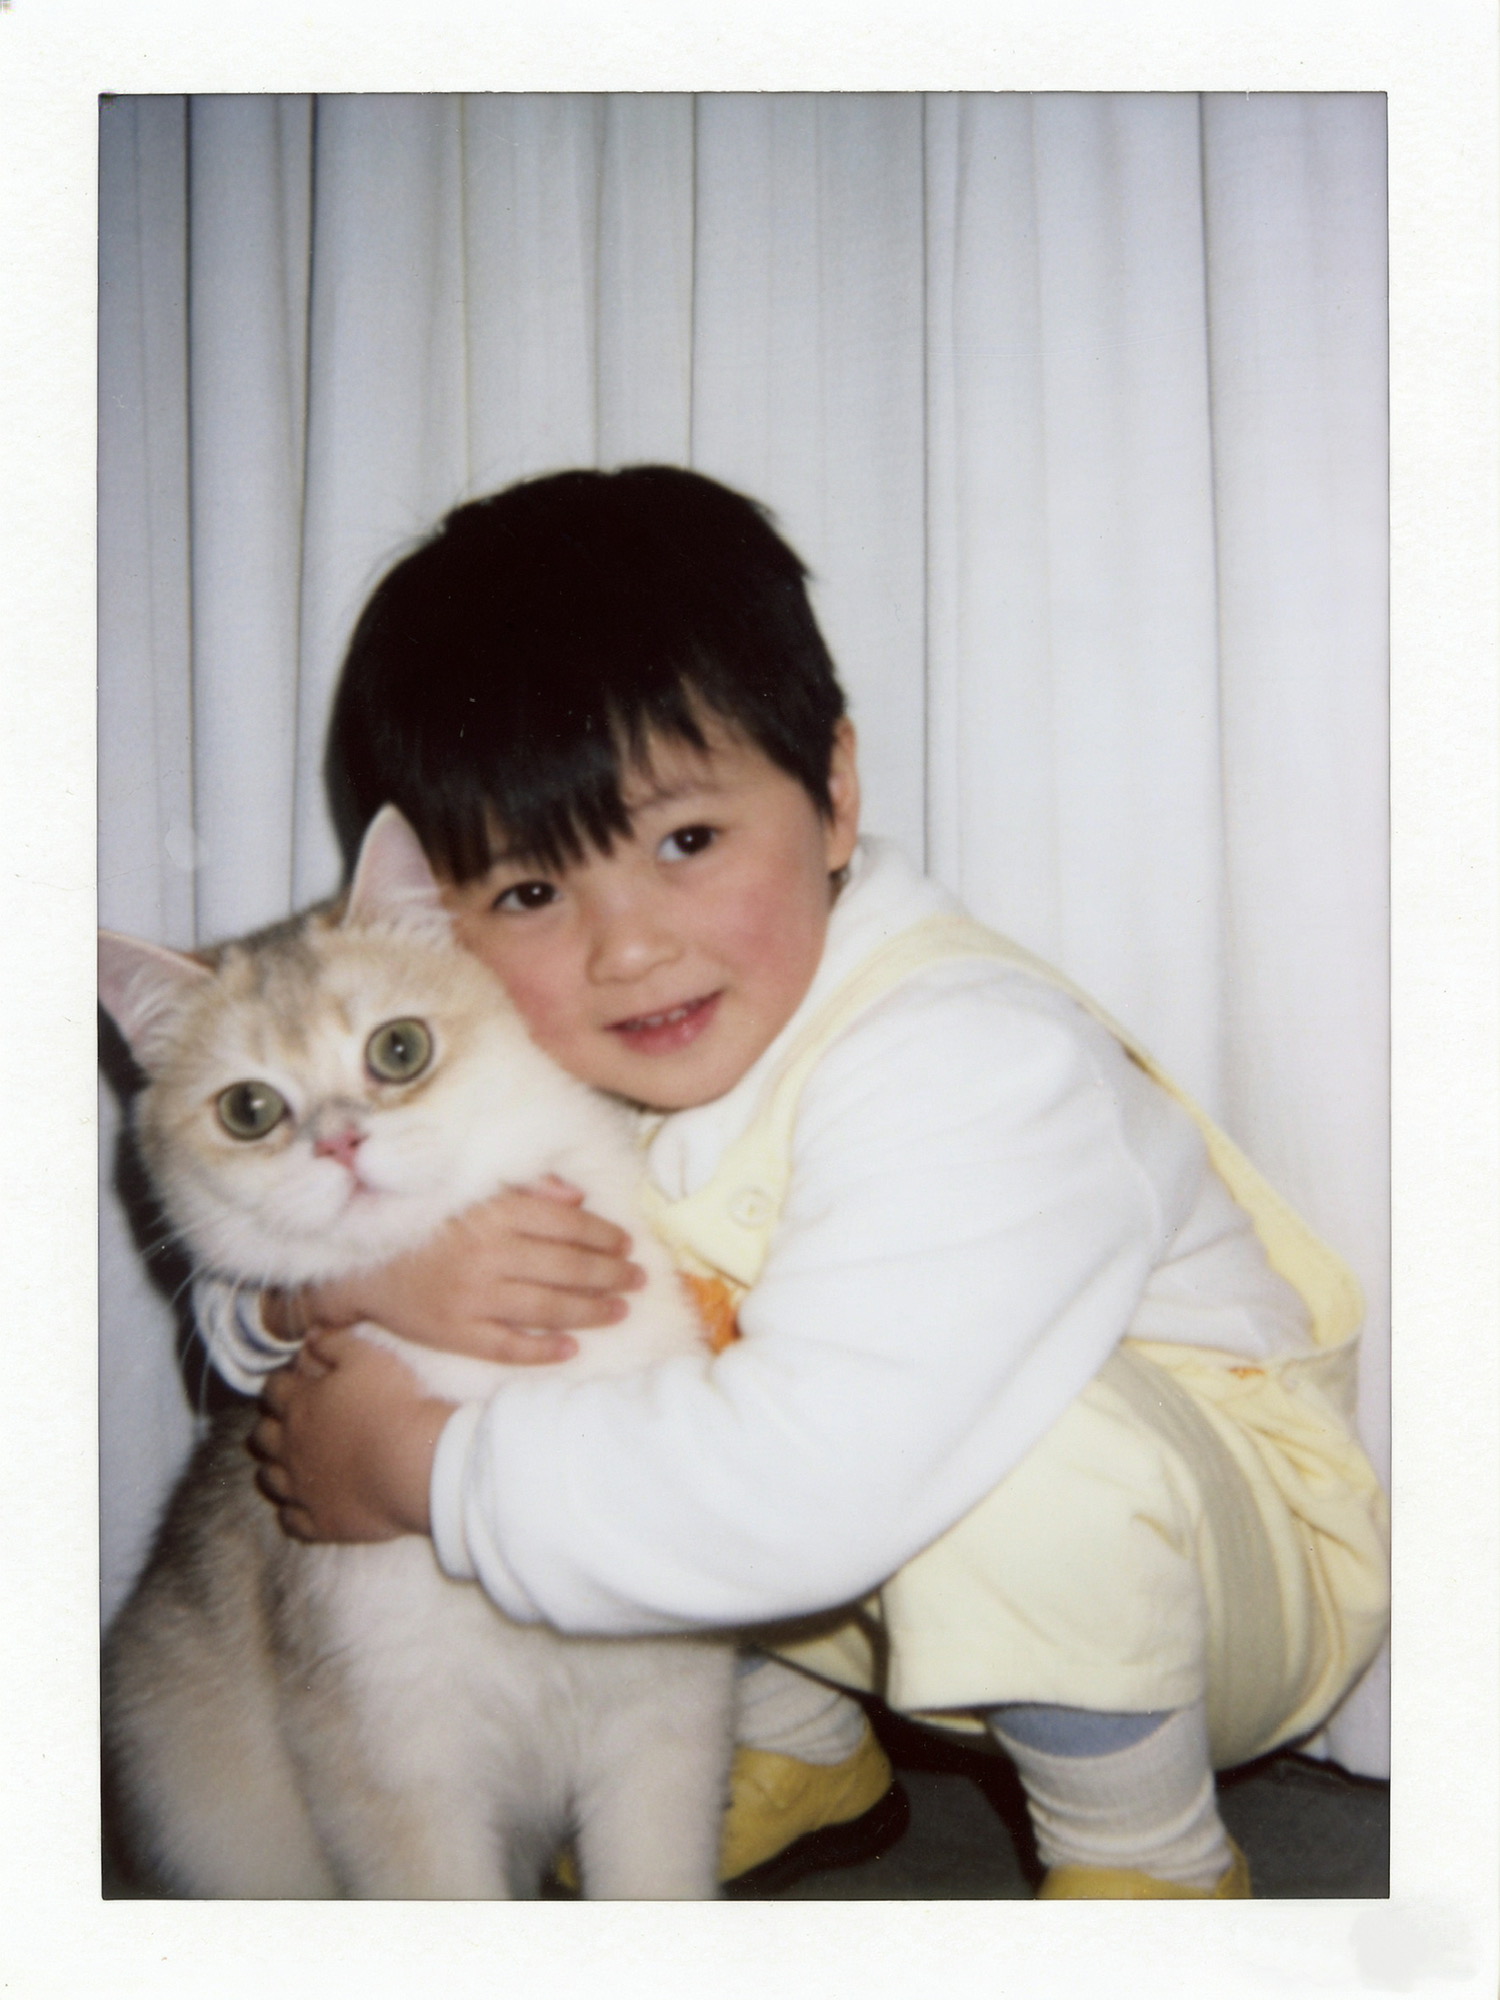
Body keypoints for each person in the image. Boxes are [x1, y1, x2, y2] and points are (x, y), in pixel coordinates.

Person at [219, 465, 1389, 1899]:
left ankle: (1145, 1855)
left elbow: (822, 1480)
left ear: (833, 797)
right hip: (847, 1543)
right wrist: (338, 1290)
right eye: (529, 893)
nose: (627, 949)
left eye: (685, 842)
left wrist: (416, 1469)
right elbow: (263, 1206)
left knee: (1013, 1449)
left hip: (1211, 1581)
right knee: (637, 1381)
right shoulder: (559, 1049)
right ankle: (803, 1741)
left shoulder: (969, 1060)